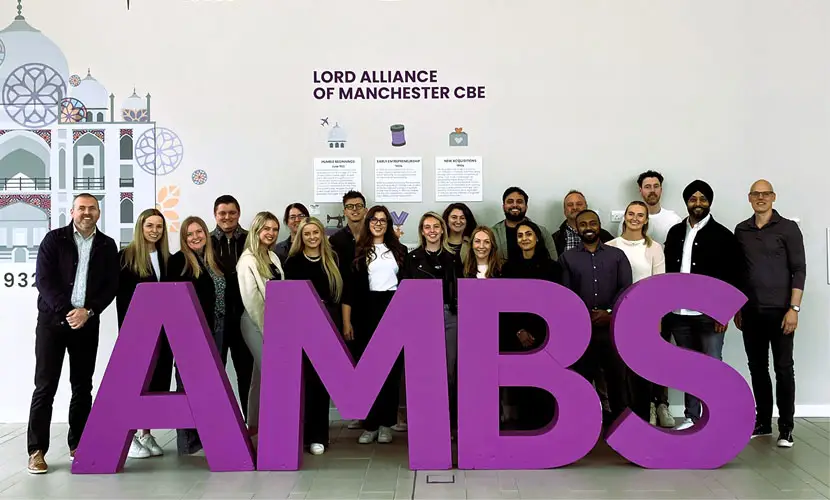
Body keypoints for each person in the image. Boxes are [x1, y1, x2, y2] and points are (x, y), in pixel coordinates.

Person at [27, 193, 119, 474]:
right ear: (72, 211)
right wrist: (69, 311)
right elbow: (44, 280)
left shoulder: (106, 245)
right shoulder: (54, 240)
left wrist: (88, 311)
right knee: (45, 387)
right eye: (82, 208)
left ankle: (78, 445)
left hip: (87, 325)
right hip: (52, 324)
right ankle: (36, 451)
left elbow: (110, 285)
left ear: (99, 213)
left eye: (92, 208)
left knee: (82, 387)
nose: (86, 213)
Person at [663, 180, 744, 431]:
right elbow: (667, 272)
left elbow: (734, 275)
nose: (697, 203)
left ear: (710, 202)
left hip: (709, 315)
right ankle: (691, 417)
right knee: (688, 368)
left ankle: (715, 417)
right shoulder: (675, 232)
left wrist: (726, 312)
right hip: (679, 314)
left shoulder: (723, 235)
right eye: (693, 199)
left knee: (711, 366)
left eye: (702, 199)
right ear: (686, 202)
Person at [734, 179, 805, 447]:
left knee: (784, 369)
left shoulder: (788, 228)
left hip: (781, 312)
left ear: (773, 197)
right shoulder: (741, 230)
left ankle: (786, 428)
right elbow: (739, 272)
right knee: (757, 368)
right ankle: (763, 421)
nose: (761, 198)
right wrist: (738, 306)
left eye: (765, 194)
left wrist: (794, 309)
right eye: (756, 194)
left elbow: (799, 270)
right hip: (751, 311)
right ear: (749, 198)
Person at [560, 210, 633, 429]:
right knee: (581, 381)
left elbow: (625, 289)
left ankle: (622, 429)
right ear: (577, 227)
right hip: (582, 332)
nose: (588, 227)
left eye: (593, 223)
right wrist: (585, 317)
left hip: (612, 330)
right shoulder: (567, 258)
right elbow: (565, 294)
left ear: (600, 226)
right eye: (583, 224)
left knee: (617, 381)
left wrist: (609, 313)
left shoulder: (617, 255)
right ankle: (582, 428)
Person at [343, 206, 408, 444]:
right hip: (366, 312)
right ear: (368, 223)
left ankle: (385, 424)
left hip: (392, 308)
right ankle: (369, 424)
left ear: (388, 224)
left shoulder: (399, 250)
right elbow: (349, 291)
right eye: (374, 220)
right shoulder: (358, 251)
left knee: (390, 369)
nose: (378, 223)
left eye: (383, 220)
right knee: (367, 368)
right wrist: (347, 321)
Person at [168, 216, 227, 455]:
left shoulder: (215, 260)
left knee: (211, 385)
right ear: (183, 238)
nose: (195, 237)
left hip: (218, 329)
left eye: (199, 232)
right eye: (190, 234)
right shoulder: (179, 261)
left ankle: (207, 435)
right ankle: (188, 442)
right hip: (191, 334)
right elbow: (174, 301)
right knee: (187, 385)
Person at [607, 201, 669, 426]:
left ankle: (645, 413)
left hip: (644, 318)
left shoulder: (655, 248)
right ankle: (622, 419)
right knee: (619, 371)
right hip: (617, 317)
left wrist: (658, 320)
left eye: (640, 215)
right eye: (631, 214)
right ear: (624, 217)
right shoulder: (610, 246)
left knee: (642, 370)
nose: (635, 218)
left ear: (645, 220)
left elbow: (659, 287)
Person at [284, 217, 342, 455]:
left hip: (328, 326)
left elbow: (338, 295)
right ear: (301, 236)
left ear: (322, 234)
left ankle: (319, 436)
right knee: (305, 382)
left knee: (322, 382)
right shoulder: (293, 263)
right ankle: (304, 435)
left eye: (315, 232)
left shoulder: (333, 259)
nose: (311, 237)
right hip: (303, 329)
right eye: (306, 233)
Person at [116, 208, 171, 458]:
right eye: (150, 225)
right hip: (137, 332)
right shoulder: (125, 257)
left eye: (159, 226)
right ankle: (127, 437)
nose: (154, 231)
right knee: (134, 383)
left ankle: (145, 434)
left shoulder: (167, 257)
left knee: (155, 381)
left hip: (164, 332)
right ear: (140, 227)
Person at [403, 212, 464, 437]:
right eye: (427, 227)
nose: (432, 231)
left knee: (449, 371)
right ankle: (426, 422)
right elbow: (406, 291)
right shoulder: (413, 258)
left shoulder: (454, 257)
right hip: (423, 320)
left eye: (436, 226)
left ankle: (449, 422)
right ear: (422, 231)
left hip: (450, 316)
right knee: (425, 372)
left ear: (442, 230)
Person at [500, 220, 561, 430]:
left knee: (544, 381)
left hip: (545, 332)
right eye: (520, 235)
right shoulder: (508, 268)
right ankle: (523, 425)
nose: (524, 238)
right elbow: (506, 304)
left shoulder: (553, 268)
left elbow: (556, 303)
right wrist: (519, 331)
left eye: (528, 234)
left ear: (537, 238)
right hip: (517, 332)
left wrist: (540, 331)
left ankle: (545, 424)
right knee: (522, 382)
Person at [237, 211, 285, 439]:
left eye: (275, 229)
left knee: (259, 376)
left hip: (274, 325)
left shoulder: (272, 257)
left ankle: (253, 424)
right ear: (256, 230)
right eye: (266, 228)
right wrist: (268, 331)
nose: (271, 233)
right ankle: (274, 427)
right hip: (255, 323)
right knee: (272, 373)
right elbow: (253, 301)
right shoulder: (248, 259)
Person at [210, 195, 253, 424]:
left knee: (247, 373)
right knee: (214, 374)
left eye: (232, 213)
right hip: (216, 320)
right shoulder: (205, 241)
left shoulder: (250, 240)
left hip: (244, 318)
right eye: (222, 213)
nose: (227, 217)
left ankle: (250, 424)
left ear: (239, 213)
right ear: (215, 215)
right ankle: (217, 426)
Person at [329, 191, 367, 430]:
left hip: (370, 303)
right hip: (344, 304)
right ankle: (358, 410)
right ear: (344, 211)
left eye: (359, 206)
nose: (354, 210)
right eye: (350, 206)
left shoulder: (373, 234)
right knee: (352, 357)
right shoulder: (335, 240)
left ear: (365, 209)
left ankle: (377, 412)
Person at [491, 187, 557, 263]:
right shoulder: (492, 234)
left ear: (526, 206)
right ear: (503, 207)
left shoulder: (542, 232)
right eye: (510, 201)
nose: (515, 205)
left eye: (519, 201)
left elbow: (553, 261)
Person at [617, 171, 682, 244]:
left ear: (661, 189)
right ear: (640, 190)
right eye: (647, 187)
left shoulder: (674, 220)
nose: (652, 190)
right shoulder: (629, 220)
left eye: (656, 186)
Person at [553, 190, 614, 257]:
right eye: (570, 205)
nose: (575, 208)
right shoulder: (555, 239)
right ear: (564, 211)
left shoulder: (605, 236)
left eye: (579, 204)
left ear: (586, 207)